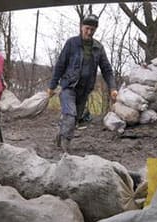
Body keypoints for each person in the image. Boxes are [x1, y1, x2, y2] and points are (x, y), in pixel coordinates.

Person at [48, 14, 118, 153]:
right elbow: (60, 65)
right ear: (81, 27)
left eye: (92, 29)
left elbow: (107, 70)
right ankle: (65, 147)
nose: (89, 32)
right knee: (70, 114)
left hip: (84, 90)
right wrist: (52, 86)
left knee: (75, 119)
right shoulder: (72, 43)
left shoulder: (98, 48)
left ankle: (60, 135)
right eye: (87, 28)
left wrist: (113, 88)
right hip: (69, 87)